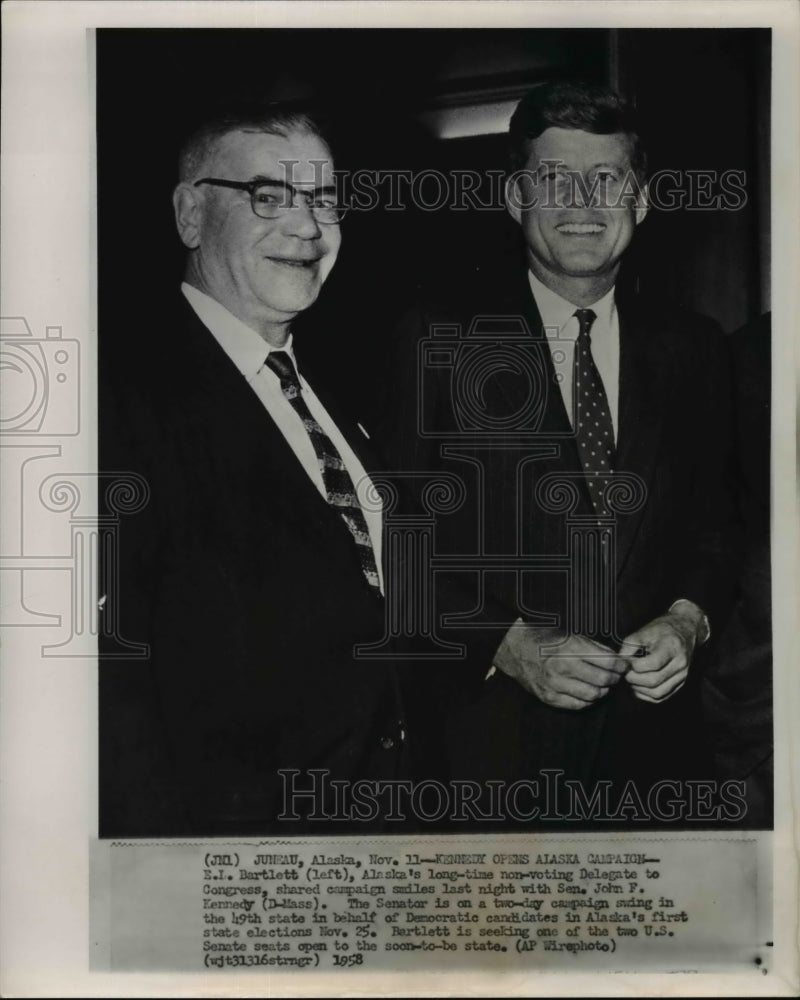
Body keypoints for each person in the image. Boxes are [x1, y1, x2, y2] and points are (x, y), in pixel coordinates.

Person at [379, 81, 740, 822]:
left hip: (658, 766)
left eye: (606, 179)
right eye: (552, 178)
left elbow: (721, 522)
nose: (581, 200)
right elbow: (390, 535)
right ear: (516, 199)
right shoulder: (436, 334)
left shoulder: (695, 347)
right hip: (490, 765)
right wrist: (508, 643)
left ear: (640, 201)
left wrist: (687, 617)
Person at [99, 105, 409, 836]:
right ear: (189, 214)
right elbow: (110, 686)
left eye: (324, 200)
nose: (308, 228)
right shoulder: (117, 399)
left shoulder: (335, 389)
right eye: (269, 197)